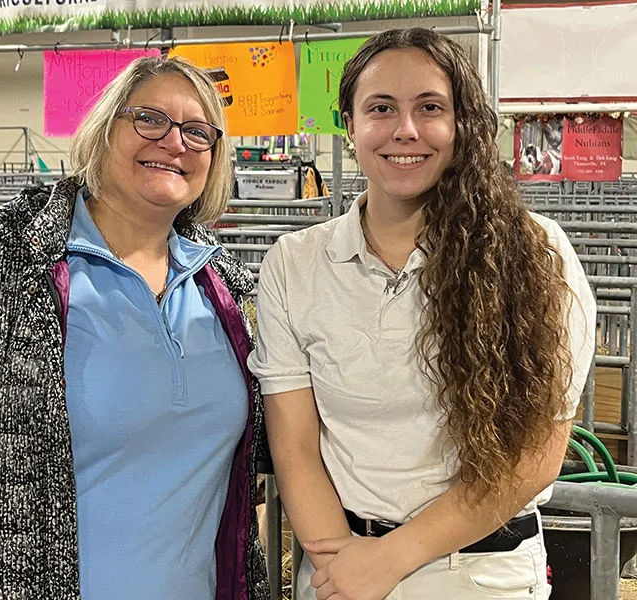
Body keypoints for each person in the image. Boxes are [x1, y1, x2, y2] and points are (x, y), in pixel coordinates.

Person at [0, 56, 270, 600]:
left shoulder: (224, 289)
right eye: (150, 119)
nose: (174, 142)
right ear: (103, 130)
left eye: (196, 131)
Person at [248, 28, 595, 600]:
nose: (405, 130)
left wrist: (389, 560)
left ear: (462, 125)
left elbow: (534, 456)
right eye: (380, 108)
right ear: (350, 124)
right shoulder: (296, 263)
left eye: (429, 108)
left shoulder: (535, 254)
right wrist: (342, 570)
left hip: (481, 573)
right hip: (336, 563)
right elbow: (295, 446)